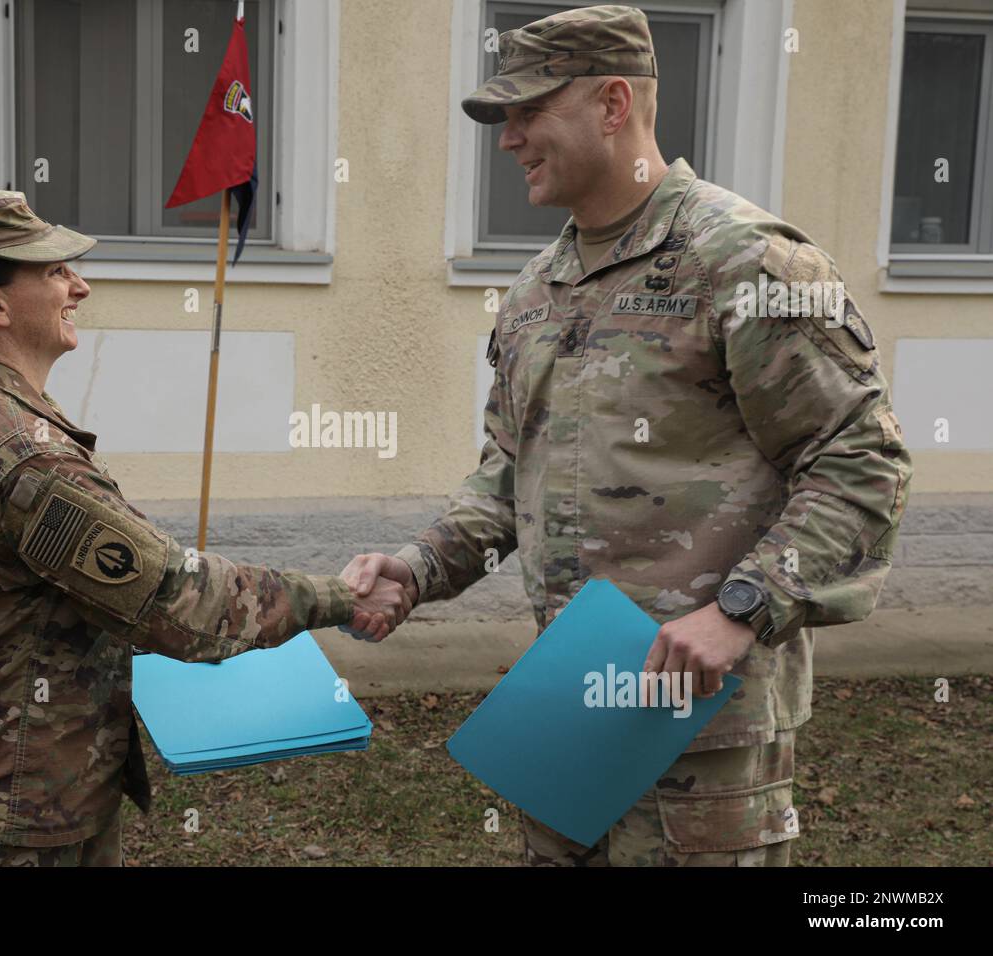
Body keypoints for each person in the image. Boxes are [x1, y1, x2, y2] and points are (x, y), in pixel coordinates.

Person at [343, 5, 912, 866]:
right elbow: (510, 470)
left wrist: (741, 609)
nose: (510, 138)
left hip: (706, 731)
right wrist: (417, 569)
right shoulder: (538, 288)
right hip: (575, 706)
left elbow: (862, 461)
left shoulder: (746, 262)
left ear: (613, 104)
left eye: (529, 111)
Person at [0, 187, 410, 866]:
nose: (81, 285)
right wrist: (340, 595)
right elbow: (175, 598)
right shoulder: (22, 457)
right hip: (4, 826)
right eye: (53, 271)